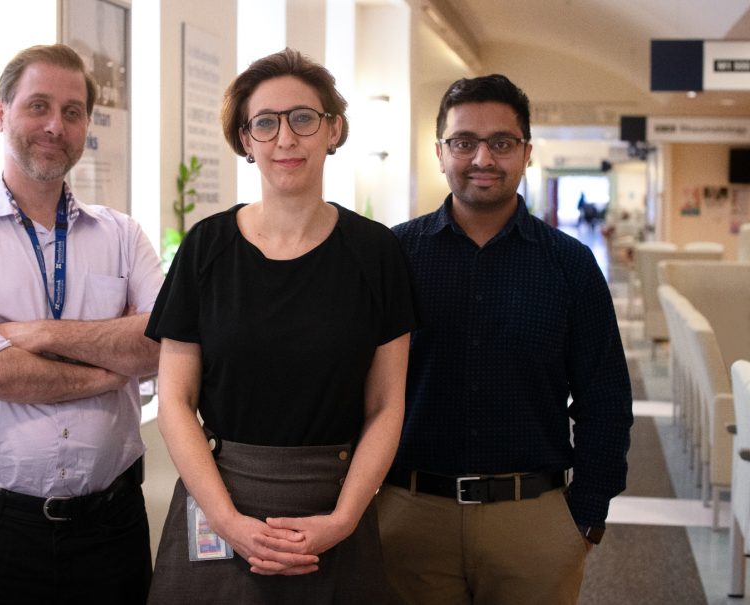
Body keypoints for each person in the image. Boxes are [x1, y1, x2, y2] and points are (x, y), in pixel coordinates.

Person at [144, 48, 416, 604]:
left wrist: (342, 520)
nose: (285, 139)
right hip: (220, 502)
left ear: (332, 130)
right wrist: (228, 522)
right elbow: (175, 398)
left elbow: (387, 405)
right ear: (245, 140)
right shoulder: (206, 247)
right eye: (264, 123)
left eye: (303, 118)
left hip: (336, 502)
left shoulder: (375, 251)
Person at [0, 44, 163, 604]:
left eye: (72, 112)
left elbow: (164, 344)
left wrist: (38, 335)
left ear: (87, 125)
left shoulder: (123, 236)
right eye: (38, 106)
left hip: (111, 527)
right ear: (0, 114)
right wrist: (107, 368)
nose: (55, 125)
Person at [378, 74, 633, 605]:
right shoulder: (394, 256)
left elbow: (605, 397)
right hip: (410, 513)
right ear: (440, 152)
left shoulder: (569, 265)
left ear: (526, 153)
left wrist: (587, 514)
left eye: (502, 143)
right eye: (464, 142)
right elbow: (357, 386)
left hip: (534, 520)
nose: (482, 158)